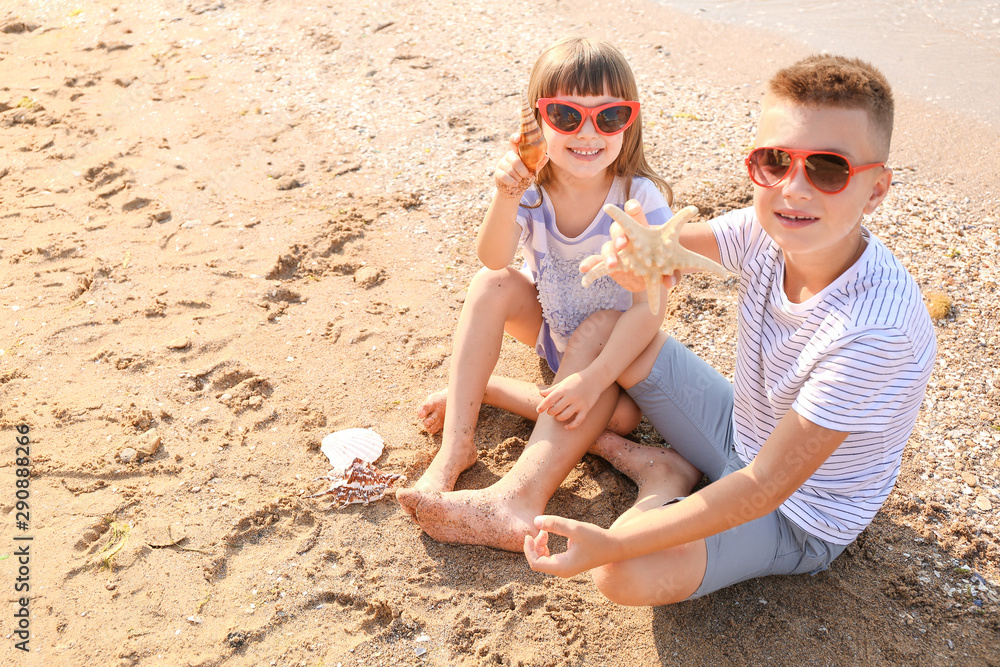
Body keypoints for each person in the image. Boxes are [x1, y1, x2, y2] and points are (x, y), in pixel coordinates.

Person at [522, 54, 937, 604]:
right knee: (604, 328)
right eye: (774, 161)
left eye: (828, 168)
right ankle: (525, 489)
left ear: (877, 189)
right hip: (739, 428)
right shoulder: (770, 227)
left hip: (799, 510)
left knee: (622, 573)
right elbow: (666, 245)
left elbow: (763, 487)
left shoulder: (875, 333)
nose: (793, 189)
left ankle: (665, 481)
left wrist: (613, 544)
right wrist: (634, 246)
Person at [399, 37, 674, 504]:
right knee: (491, 285)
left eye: (609, 116)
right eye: (567, 116)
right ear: (538, 120)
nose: (588, 133)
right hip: (552, 329)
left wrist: (593, 378)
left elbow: (654, 308)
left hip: (615, 353)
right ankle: (455, 447)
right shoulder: (533, 190)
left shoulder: (639, 198)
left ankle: (487, 389)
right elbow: (493, 258)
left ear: (631, 120)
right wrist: (507, 194)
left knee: (624, 420)